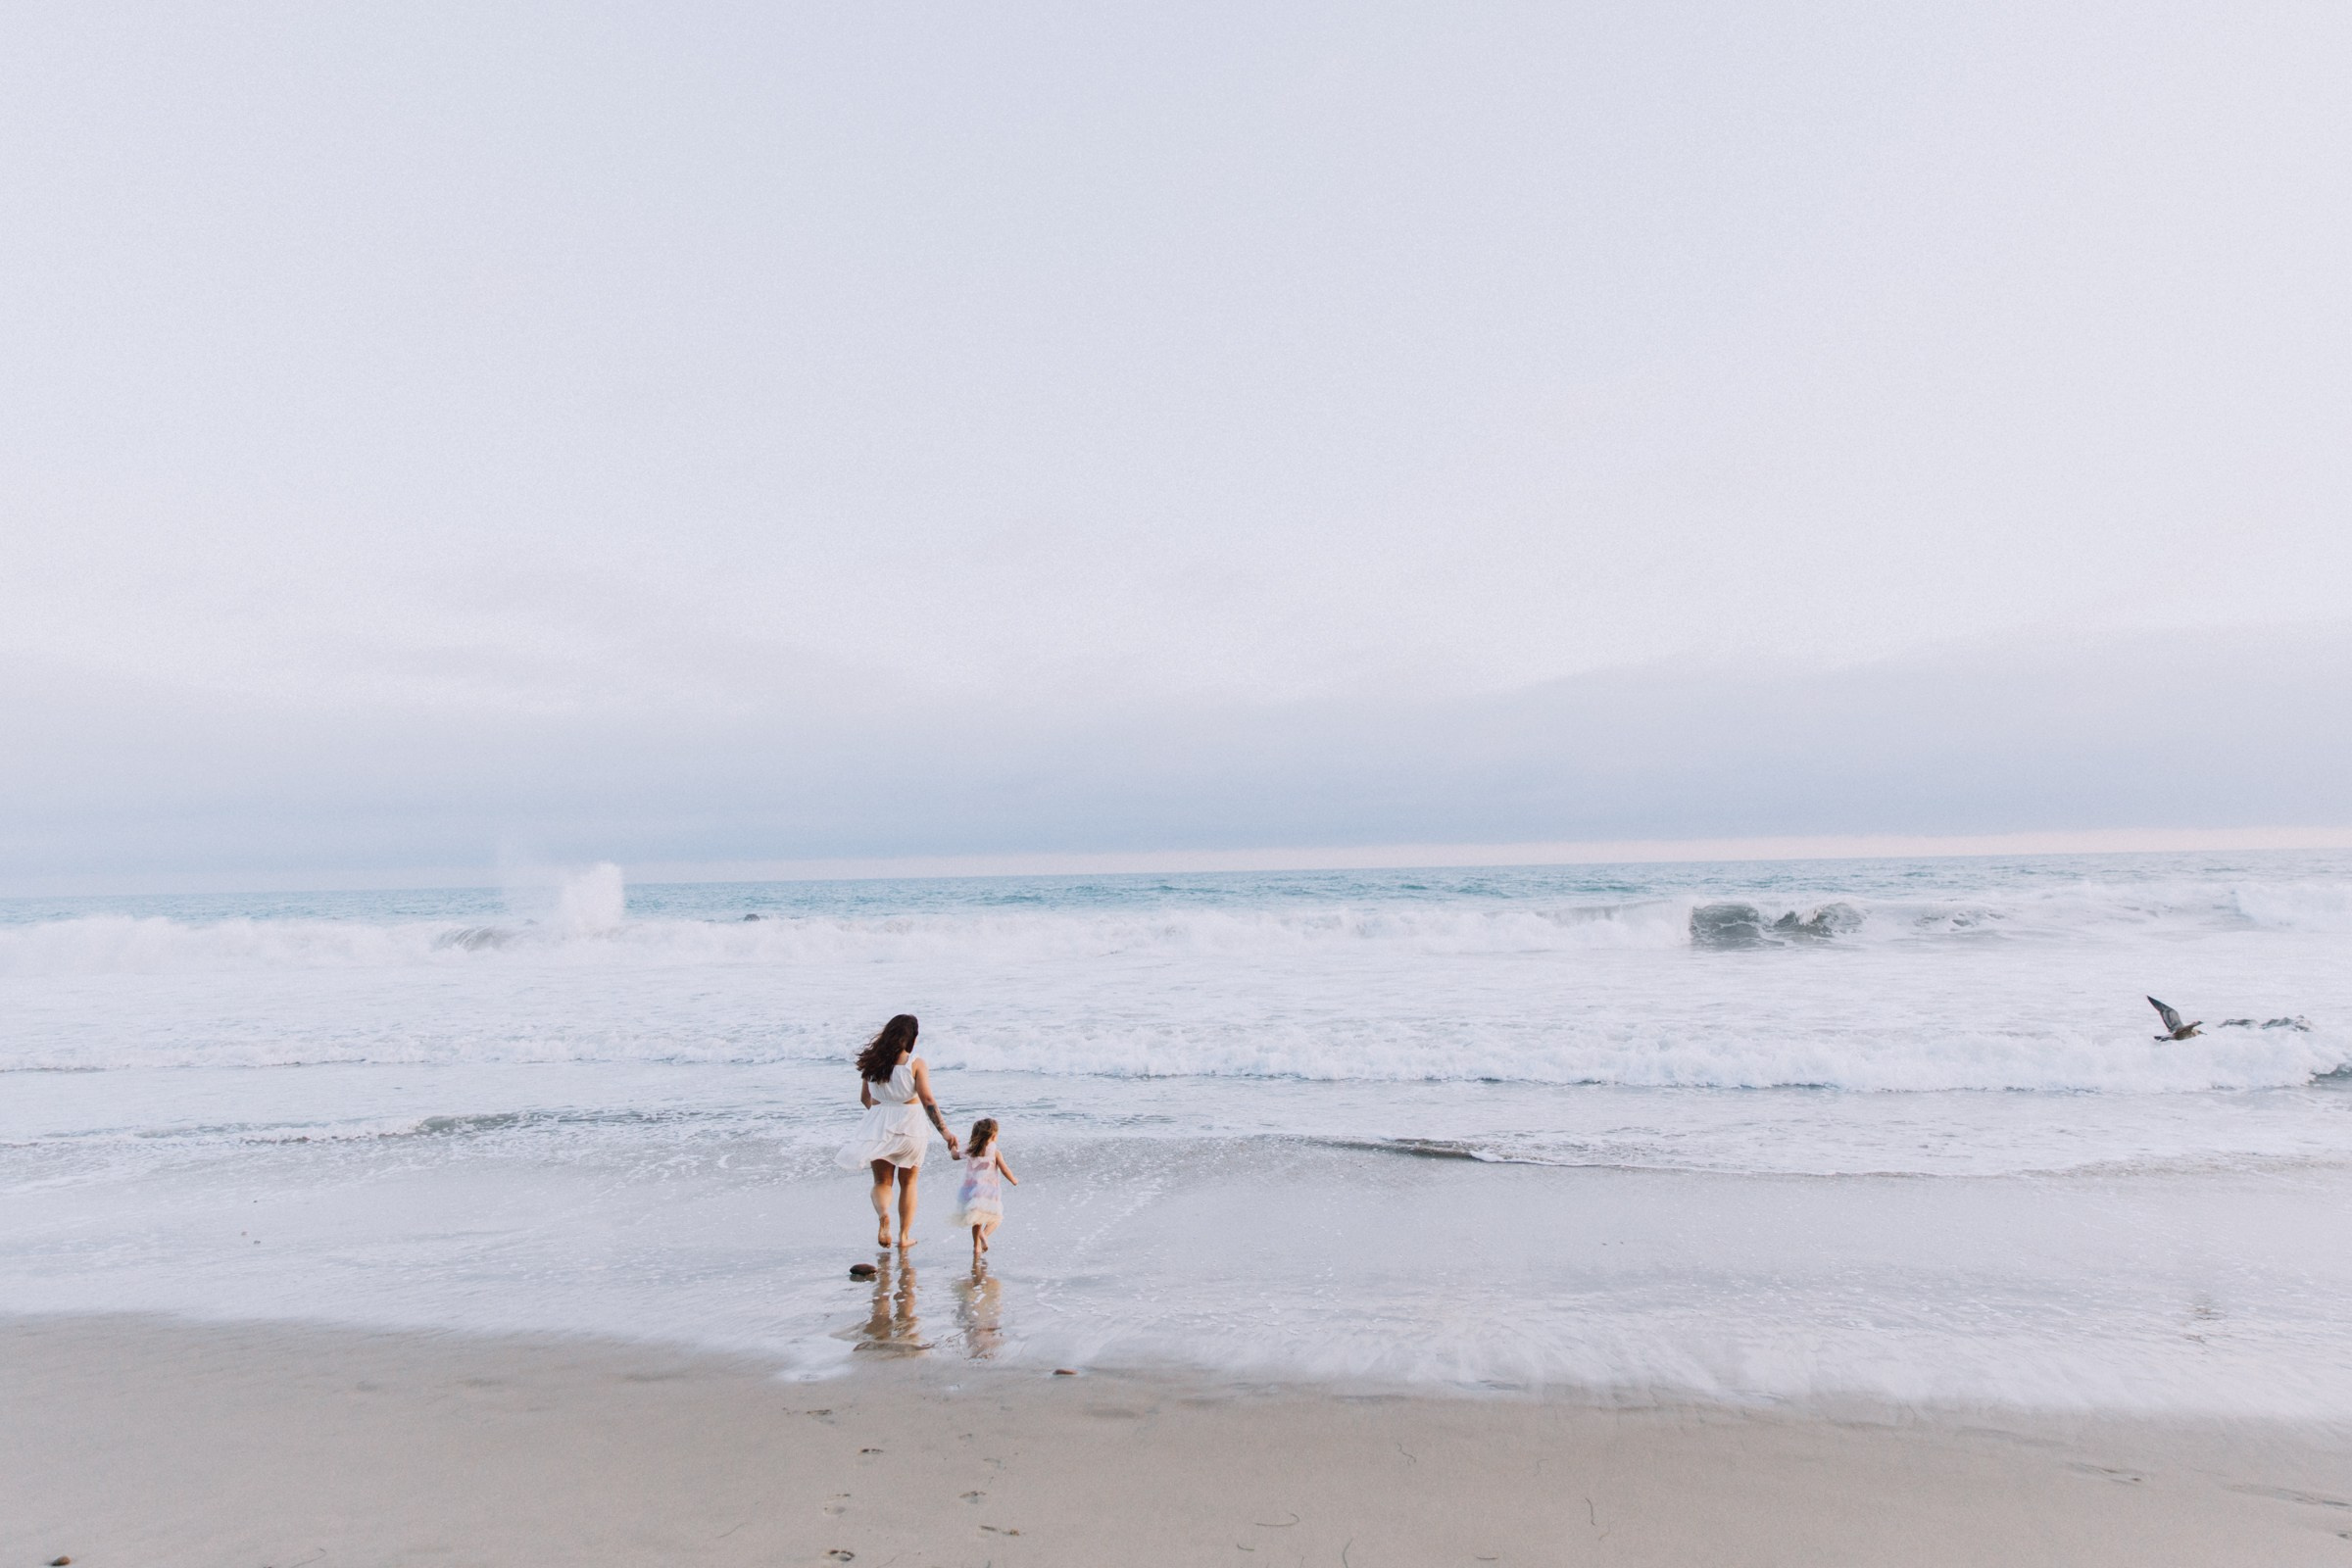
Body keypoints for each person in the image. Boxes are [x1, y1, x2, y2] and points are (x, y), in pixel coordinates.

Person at [835, 1014, 959, 1249]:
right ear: (912, 1037)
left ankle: (884, 1215)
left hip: (879, 1124)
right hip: (911, 1127)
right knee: (909, 1183)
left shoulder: (871, 1062)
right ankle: (903, 1237)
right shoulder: (915, 1063)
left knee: (883, 1182)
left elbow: (864, 1098)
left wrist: (881, 1115)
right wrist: (945, 1132)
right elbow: (928, 1100)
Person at [952, 1116, 1017, 1265]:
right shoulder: (995, 1152)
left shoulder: (971, 1149)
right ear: (993, 1136)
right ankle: (984, 1235)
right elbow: (1005, 1169)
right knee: (997, 1218)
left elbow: (955, 1156)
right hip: (989, 1192)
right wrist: (1014, 1180)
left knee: (976, 1220)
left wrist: (953, 1146)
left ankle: (976, 1247)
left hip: (971, 1190)